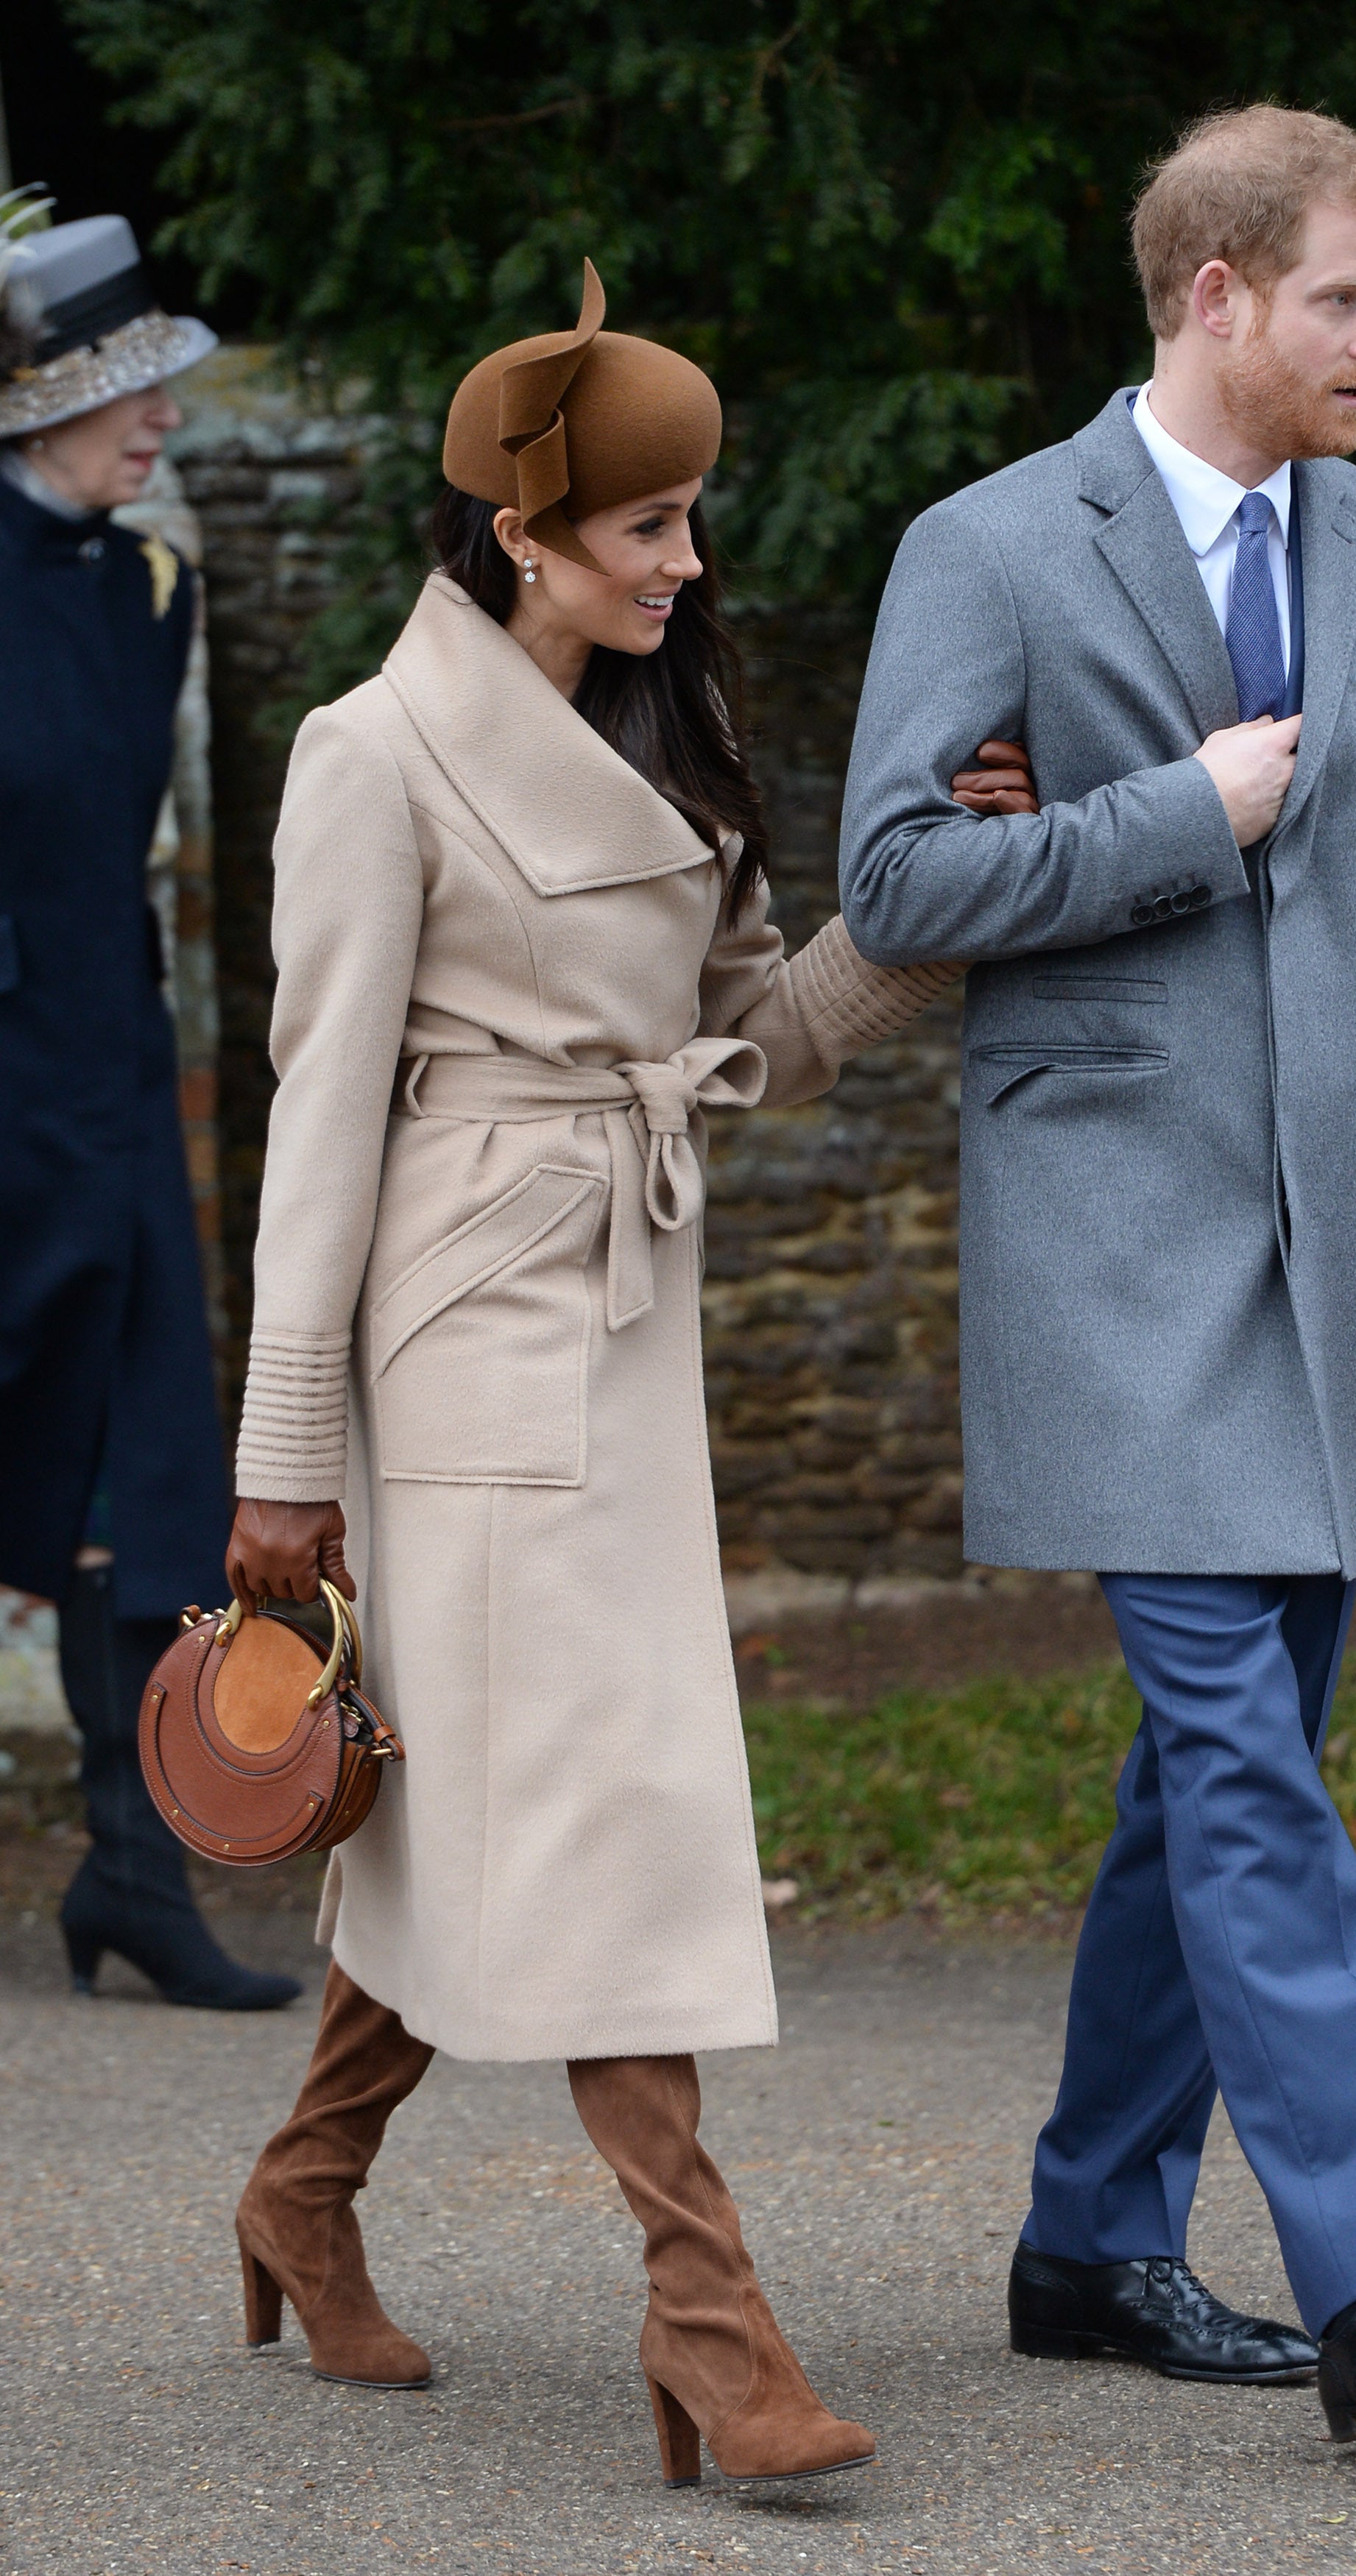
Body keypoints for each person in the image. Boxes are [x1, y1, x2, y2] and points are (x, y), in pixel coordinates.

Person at [838, 107, 1356, 2444]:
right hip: (1111, 1262)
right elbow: (889, 882)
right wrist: (1195, 810)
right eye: (1352, 296)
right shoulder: (988, 542)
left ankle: (1088, 2235)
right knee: (1255, 1779)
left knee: (1208, 1780)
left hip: (1330, 1268)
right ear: (1220, 297)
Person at [222, 261, 1011, 2486]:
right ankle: (711, 2319)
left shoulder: (666, 723)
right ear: (523, 536)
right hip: (465, 1331)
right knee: (616, 1817)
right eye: (651, 525)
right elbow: (315, 1111)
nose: (689, 560)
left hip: (620, 1313)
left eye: (691, 519)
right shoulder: (372, 758)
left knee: (498, 1804)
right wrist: (284, 1460)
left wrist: (921, 918)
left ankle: (300, 2187)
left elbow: (743, 1049)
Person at [0, 198, 298, 2014]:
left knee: (146, 1469)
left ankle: (135, 1868)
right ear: (34, 403)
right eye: (126, 389)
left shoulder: (152, 589)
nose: (162, 418)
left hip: (104, 1091)